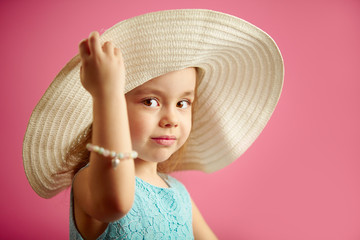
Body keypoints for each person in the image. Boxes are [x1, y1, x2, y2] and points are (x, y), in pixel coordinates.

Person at [23, 9, 284, 239]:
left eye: (183, 103)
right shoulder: (89, 181)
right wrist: (106, 93)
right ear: (111, 108)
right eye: (150, 101)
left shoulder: (178, 195)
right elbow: (116, 203)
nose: (171, 119)